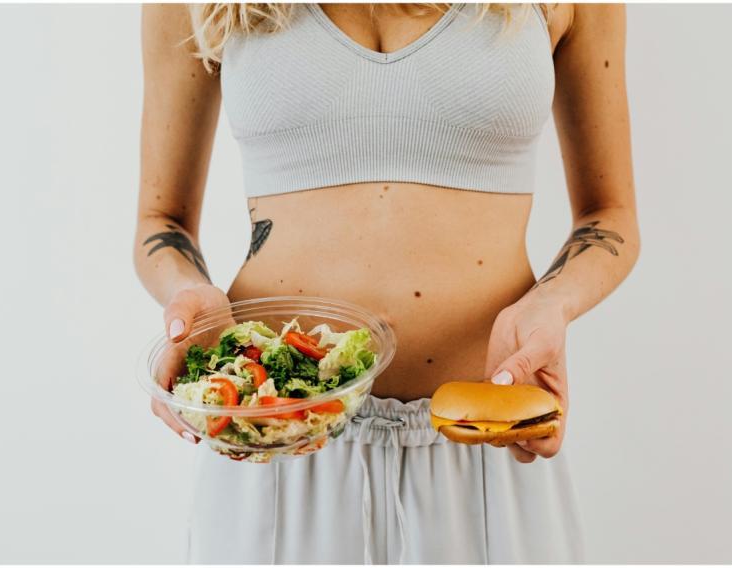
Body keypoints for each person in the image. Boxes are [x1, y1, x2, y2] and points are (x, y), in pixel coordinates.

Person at [134, 2, 639, 563]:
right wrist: (190, 301)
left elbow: (608, 213)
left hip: (485, 433)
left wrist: (554, 303)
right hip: (277, 442)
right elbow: (163, 221)